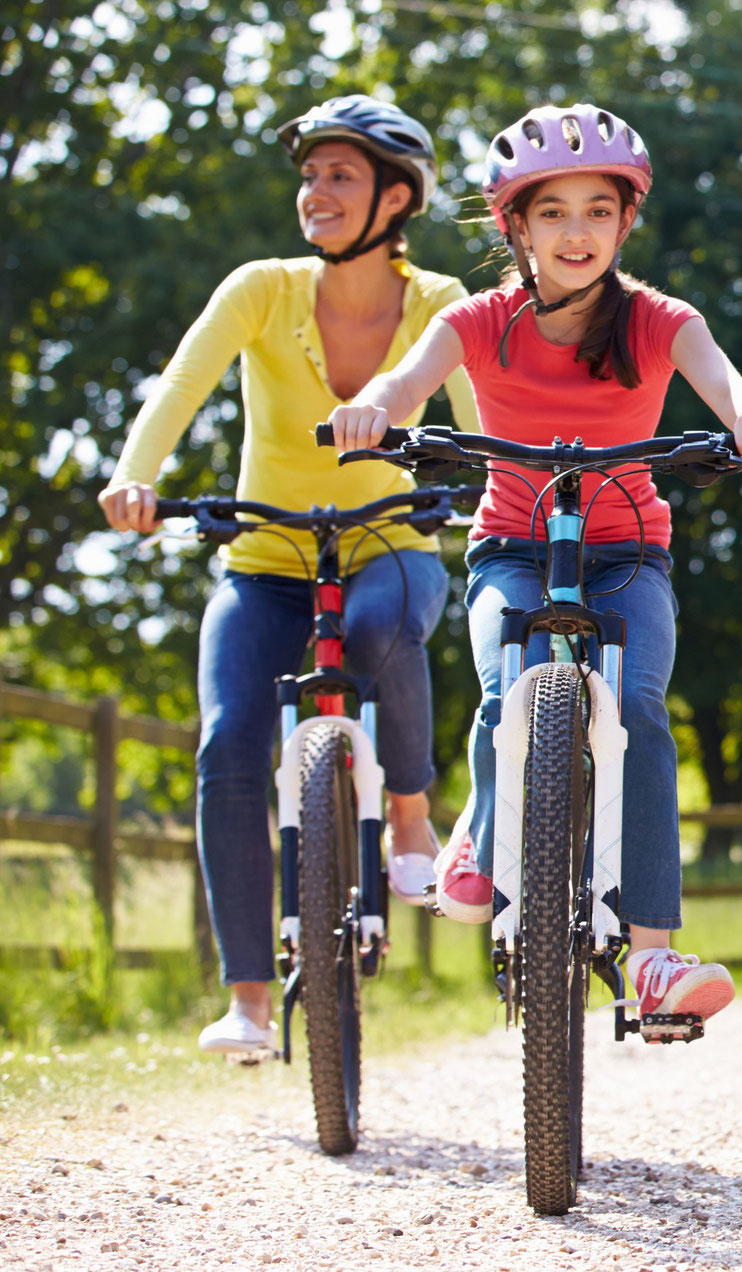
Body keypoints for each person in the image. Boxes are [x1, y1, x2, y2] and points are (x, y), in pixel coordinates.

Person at [326, 104, 742, 1026]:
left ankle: (654, 958)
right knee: (508, 685)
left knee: (636, 710)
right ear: (516, 227)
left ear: (626, 223)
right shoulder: (478, 321)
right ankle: (483, 831)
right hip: (512, 544)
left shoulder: (662, 321)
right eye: (552, 212)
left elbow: (727, 379)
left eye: (597, 210)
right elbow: (404, 381)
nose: (576, 231)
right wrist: (374, 408)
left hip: (629, 554)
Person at [97, 96, 479, 1059]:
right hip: (265, 558)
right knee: (228, 743)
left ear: (397, 197)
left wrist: (495, 495)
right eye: (309, 176)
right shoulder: (261, 288)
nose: (315, 192)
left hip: (389, 543)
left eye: (339, 176)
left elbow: (479, 431)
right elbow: (182, 384)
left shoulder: (439, 305)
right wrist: (135, 477)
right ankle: (250, 1003)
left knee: (386, 630)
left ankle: (407, 816)